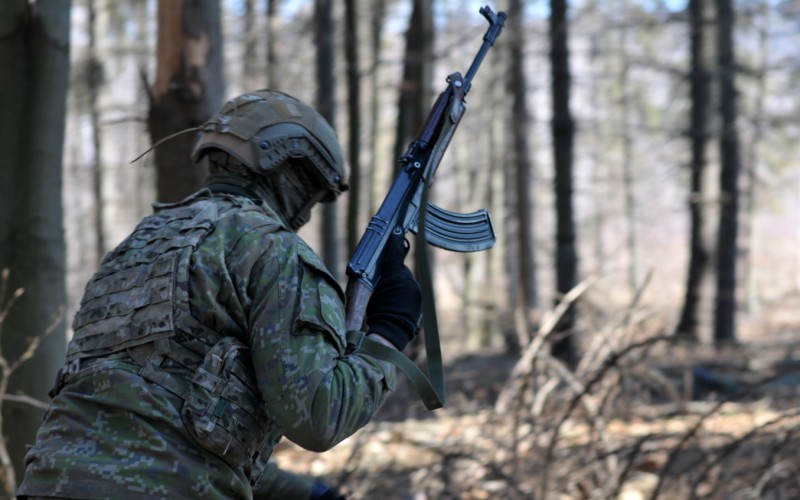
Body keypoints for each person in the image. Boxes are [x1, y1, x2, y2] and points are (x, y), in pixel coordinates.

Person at [18, 90, 422, 499]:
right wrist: (391, 330)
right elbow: (320, 415)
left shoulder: (134, 246)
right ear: (291, 168)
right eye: (313, 193)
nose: (307, 213)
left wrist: (308, 495)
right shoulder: (271, 249)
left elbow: (177, 428)